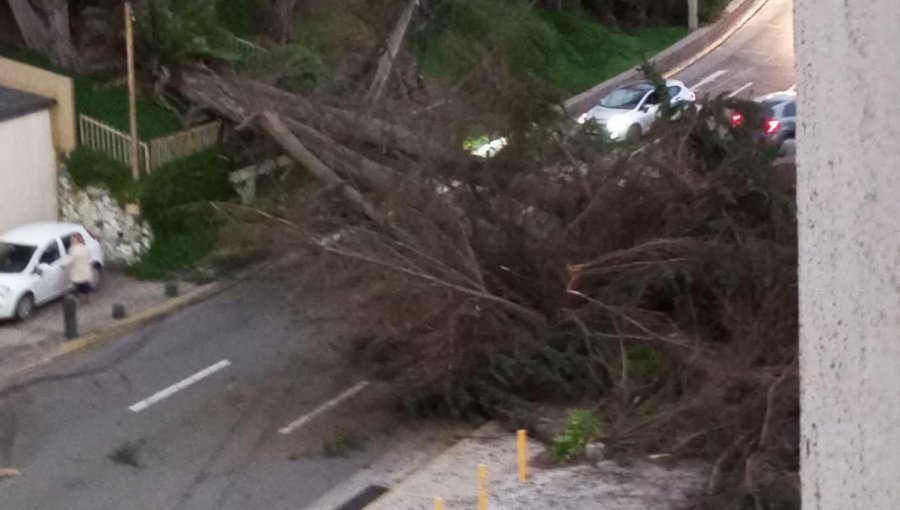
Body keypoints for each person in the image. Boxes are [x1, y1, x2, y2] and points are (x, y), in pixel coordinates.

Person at [65, 234, 93, 301]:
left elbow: (70, 260)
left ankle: (79, 300)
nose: (71, 241)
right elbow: (89, 258)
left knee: (77, 287)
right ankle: (87, 299)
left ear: (75, 240)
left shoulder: (73, 249)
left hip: (77, 272)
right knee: (85, 287)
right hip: (85, 271)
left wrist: (63, 265)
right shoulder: (85, 248)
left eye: (72, 239)